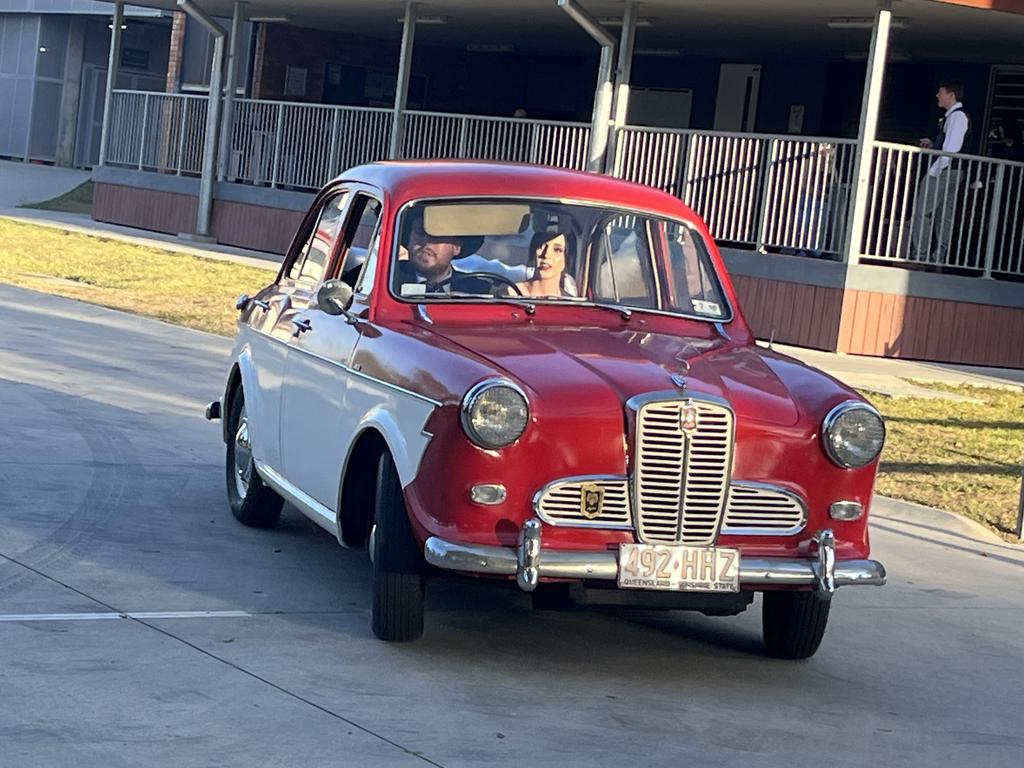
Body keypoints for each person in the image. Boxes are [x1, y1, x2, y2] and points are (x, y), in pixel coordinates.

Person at [909, 82, 970, 265]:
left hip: (945, 170)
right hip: (954, 171)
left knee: (923, 211)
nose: (937, 95)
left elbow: (951, 148)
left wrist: (934, 171)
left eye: (941, 92)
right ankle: (938, 258)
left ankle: (920, 254)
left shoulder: (957, 117)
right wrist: (934, 145)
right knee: (944, 215)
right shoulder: (954, 117)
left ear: (951, 95)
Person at [395, 218, 494, 296]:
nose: (427, 242)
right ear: (409, 239)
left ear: (456, 247)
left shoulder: (479, 291)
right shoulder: (385, 281)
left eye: (437, 235)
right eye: (420, 233)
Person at [514, 231, 578, 298]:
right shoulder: (510, 296)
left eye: (557, 250)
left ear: (567, 259)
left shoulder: (570, 305)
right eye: (541, 246)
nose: (546, 254)